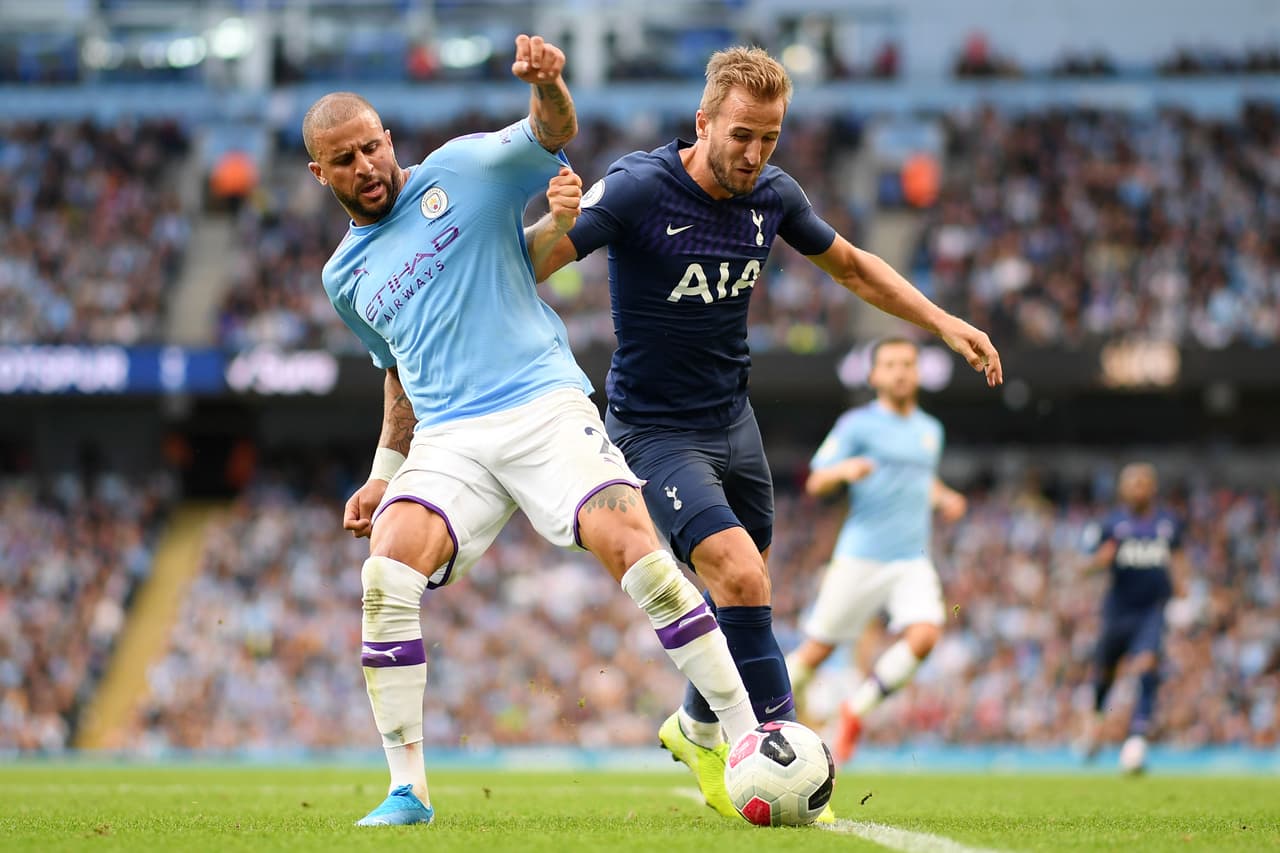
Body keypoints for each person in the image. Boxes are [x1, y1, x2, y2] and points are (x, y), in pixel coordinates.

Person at [527, 46, 1001, 818]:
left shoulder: (773, 195)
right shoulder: (644, 185)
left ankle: (693, 725)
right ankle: (785, 752)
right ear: (704, 120)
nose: (754, 153)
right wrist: (556, 220)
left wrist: (943, 323)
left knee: (739, 595)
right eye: (741, 135)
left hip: (734, 425)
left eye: (769, 138)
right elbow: (535, 262)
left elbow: (850, 265)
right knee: (743, 578)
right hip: (654, 431)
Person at [305, 35, 757, 827]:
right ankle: (407, 789)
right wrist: (383, 472)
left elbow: (551, 133)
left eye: (373, 145)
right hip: (450, 440)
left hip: (543, 407)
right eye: (345, 160)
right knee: (385, 575)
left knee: (639, 555)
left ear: (388, 136)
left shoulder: (462, 170)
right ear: (321, 174)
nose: (368, 166)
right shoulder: (344, 279)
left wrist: (549, 83)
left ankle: (748, 740)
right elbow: (399, 370)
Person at [785, 337, 967, 764]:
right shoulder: (857, 425)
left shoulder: (929, 431)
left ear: (918, 373)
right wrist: (844, 470)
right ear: (874, 376)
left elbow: (919, 480)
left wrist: (943, 497)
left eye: (908, 363)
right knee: (817, 651)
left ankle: (852, 712)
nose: (901, 371)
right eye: (891, 365)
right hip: (861, 556)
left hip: (911, 558)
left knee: (925, 635)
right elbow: (815, 480)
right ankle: (756, 719)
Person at [1078, 463, 1189, 774]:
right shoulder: (1110, 525)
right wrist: (1098, 561)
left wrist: (1182, 584)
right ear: (1122, 488)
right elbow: (1082, 564)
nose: (1139, 487)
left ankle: (1136, 739)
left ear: (1153, 487)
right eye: (1133, 482)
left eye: (1144, 482)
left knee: (1147, 665)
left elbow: (1178, 557)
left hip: (1151, 611)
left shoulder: (1168, 523)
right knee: (1104, 675)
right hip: (1117, 612)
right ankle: (1096, 725)